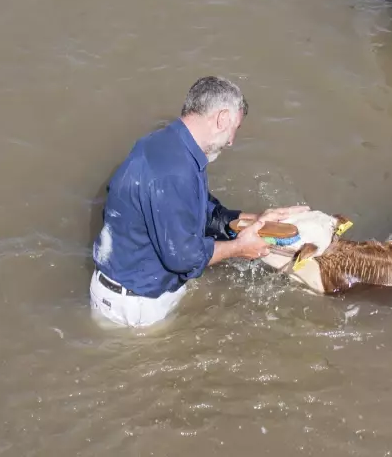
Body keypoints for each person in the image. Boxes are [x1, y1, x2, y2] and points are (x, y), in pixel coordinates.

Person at [89, 76, 307, 328]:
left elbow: (199, 210)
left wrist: (252, 221)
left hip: (124, 288)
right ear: (222, 118)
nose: (232, 141)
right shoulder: (174, 171)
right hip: (135, 306)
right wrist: (239, 247)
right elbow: (183, 259)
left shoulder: (167, 146)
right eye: (235, 128)